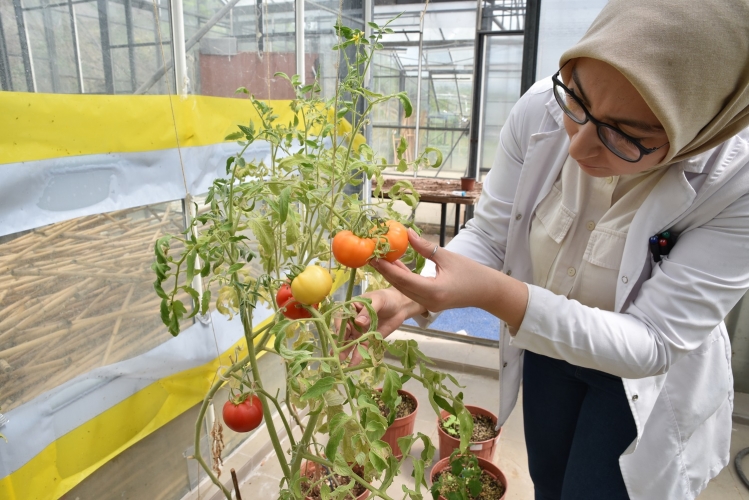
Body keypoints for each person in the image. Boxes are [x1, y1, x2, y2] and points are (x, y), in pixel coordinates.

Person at [341, 1, 749, 498]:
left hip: (641, 385)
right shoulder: (541, 108)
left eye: (625, 135)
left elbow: (653, 342)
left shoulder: (735, 182)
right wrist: (409, 296)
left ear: (701, 127)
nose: (576, 148)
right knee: (549, 478)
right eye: (576, 101)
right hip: (546, 350)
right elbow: (491, 236)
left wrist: (498, 295)